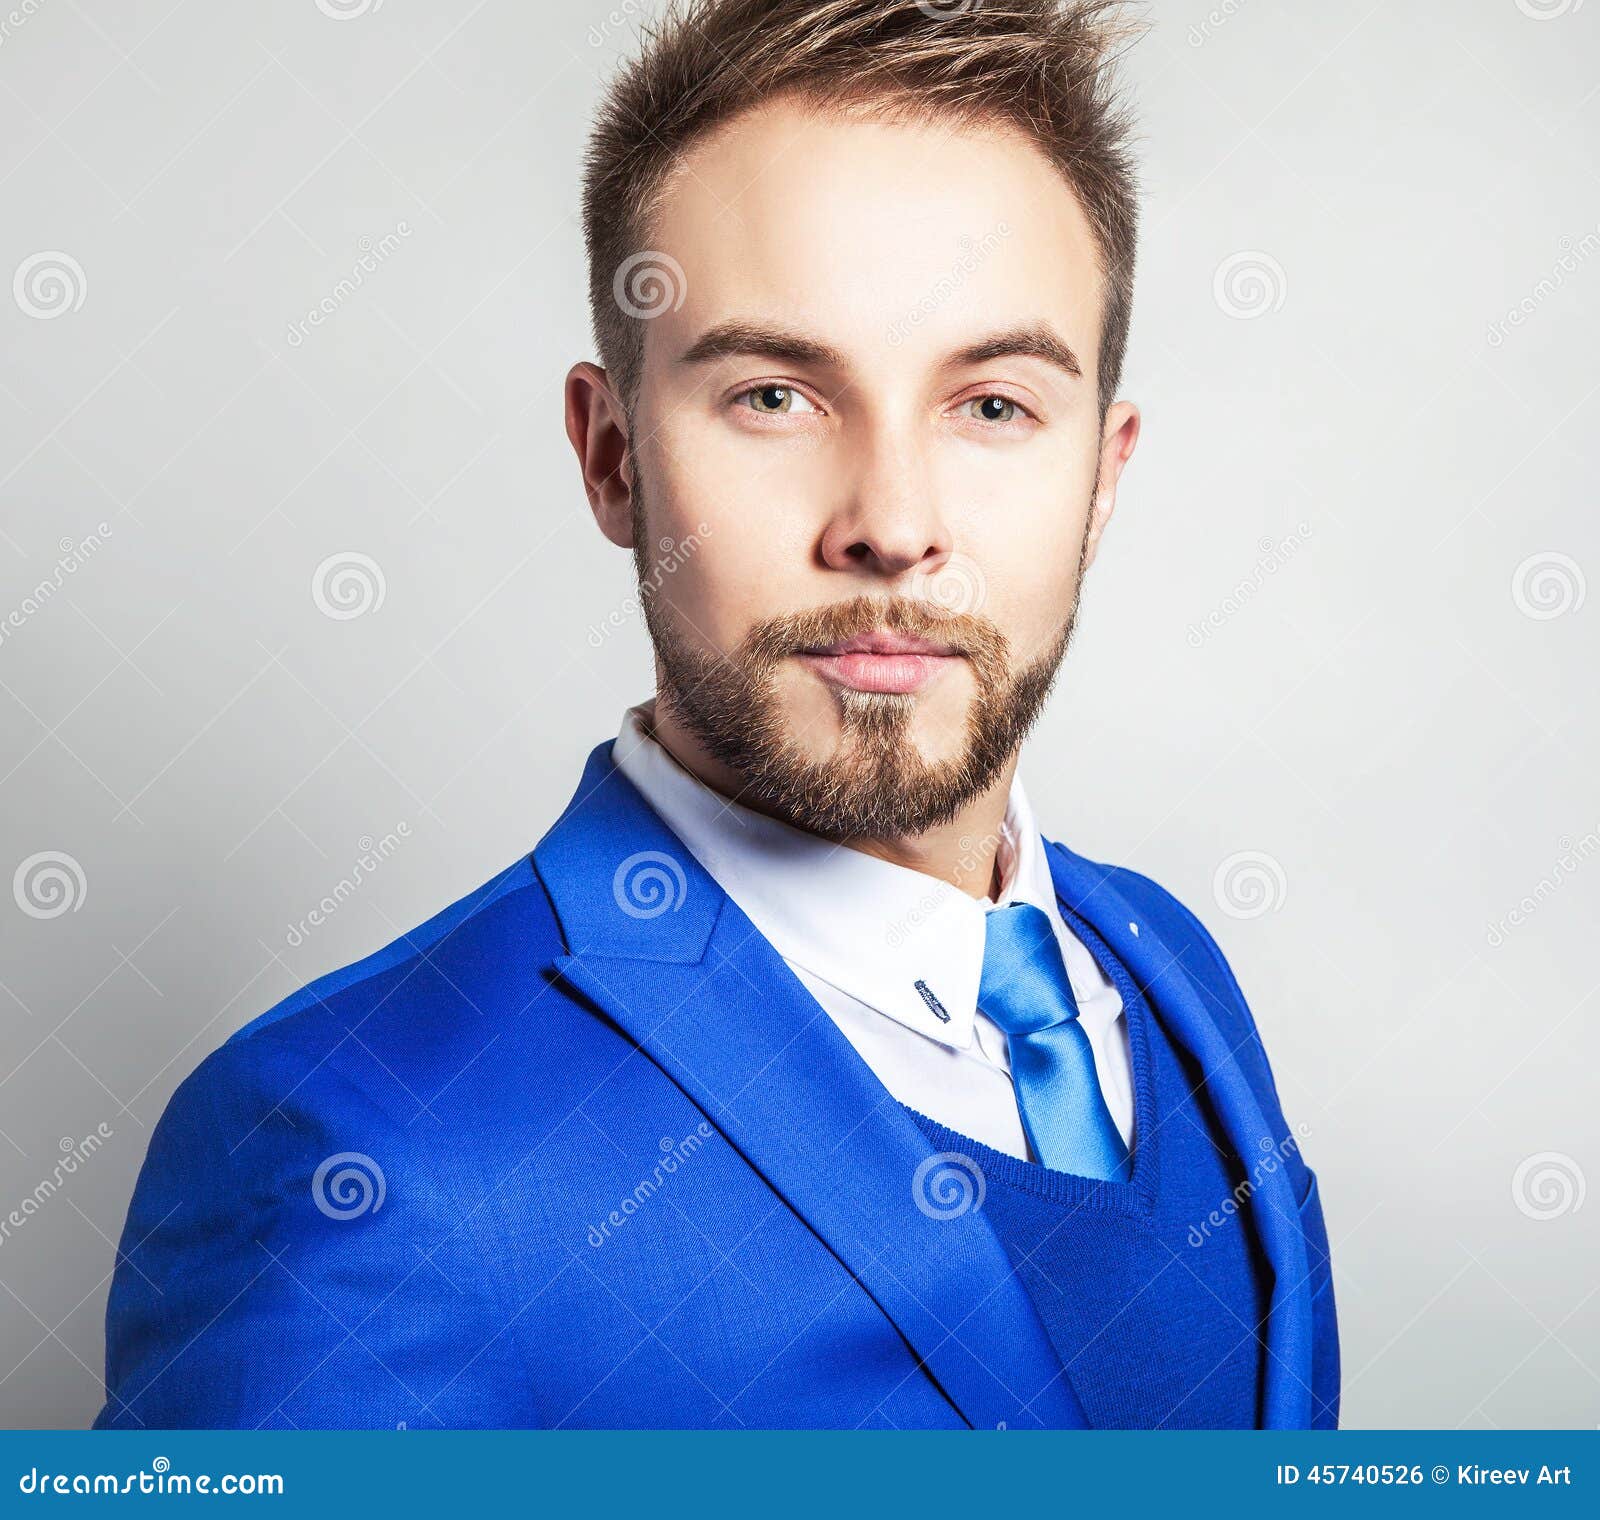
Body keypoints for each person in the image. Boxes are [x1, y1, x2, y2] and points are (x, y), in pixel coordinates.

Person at [93, 0, 1336, 1430]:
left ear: (1103, 476)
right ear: (613, 455)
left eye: (992, 406)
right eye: (774, 396)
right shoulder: (361, 1153)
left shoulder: (1170, 974)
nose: (893, 525)